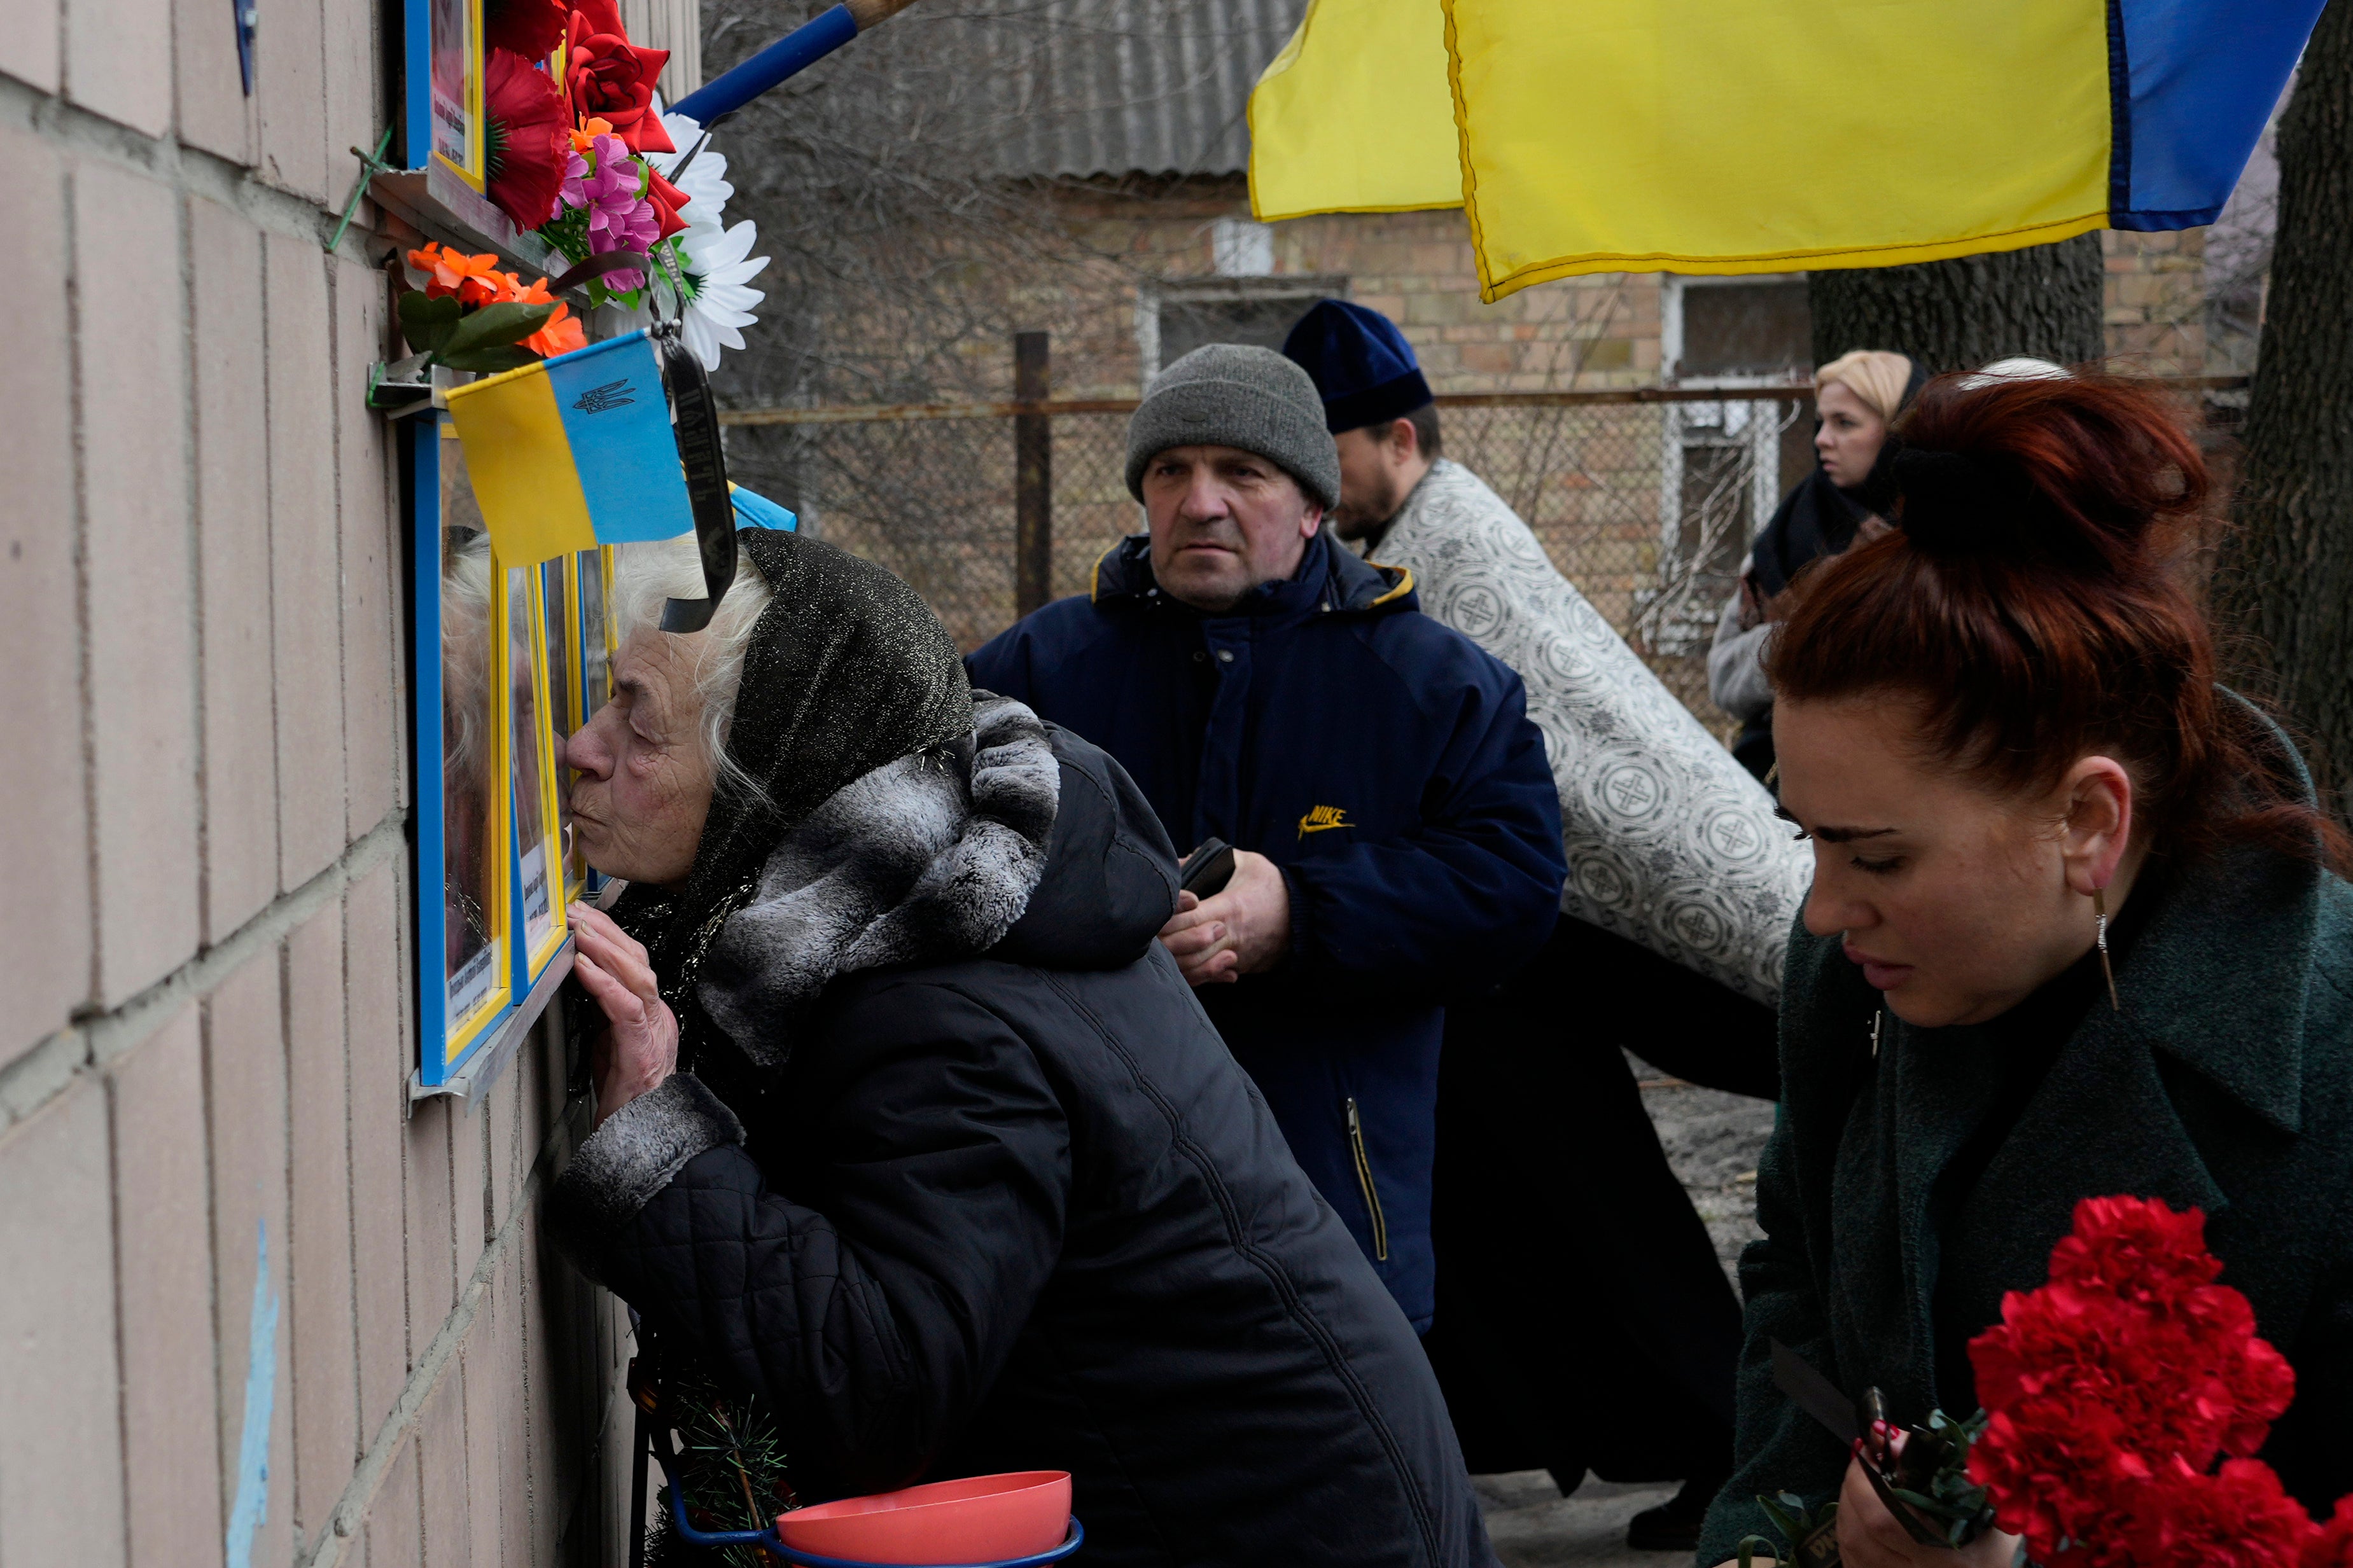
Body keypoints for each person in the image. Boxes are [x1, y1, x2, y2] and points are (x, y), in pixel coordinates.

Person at [545, 527, 1500, 1567]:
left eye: (640, 723)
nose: (581, 747)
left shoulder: (933, 1009)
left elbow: (882, 1384)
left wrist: (661, 1145)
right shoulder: (935, 893)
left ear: (770, 770)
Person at [1694, 373, 2353, 1565]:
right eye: (1808, 840)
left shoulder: (2330, 1068)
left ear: (2088, 822)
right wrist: (1773, 1542)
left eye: (1876, 856)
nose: (1824, 910)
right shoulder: (1852, 975)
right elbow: (1798, 1283)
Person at [1282, 298, 1807, 1550]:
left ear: (1396, 439)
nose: (1305, 485)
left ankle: (1723, 1434)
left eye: (1321, 453)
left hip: (1580, 933)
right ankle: (1694, 1429)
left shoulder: (1445, 547)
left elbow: (1580, 754)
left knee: (1590, 1192)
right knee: (1560, 1181)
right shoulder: (1412, 536)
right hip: (1522, 947)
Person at [965, 343, 1568, 1335]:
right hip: (1081, 1220)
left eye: (1241, 472)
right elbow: (938, 868)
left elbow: (1513, 888)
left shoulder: (1438, 687)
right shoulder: (1036, 671)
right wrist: (1100, 929)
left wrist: (1299, 910)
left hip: (1336, 1213)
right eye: (1170, 471)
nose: (1200, 503)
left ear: (1314, 505)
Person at [1709, 349, 1924, 781]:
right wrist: (1800, 641)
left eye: (1845, 423)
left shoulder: (1931, 539)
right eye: (1821, 423)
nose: (1823, 439)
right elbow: (1723, 678)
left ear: (1897, 432)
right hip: (1775, 770)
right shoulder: (1787, 533)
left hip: (1901, 771)